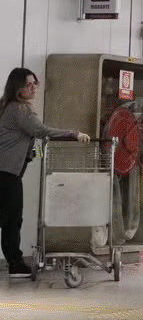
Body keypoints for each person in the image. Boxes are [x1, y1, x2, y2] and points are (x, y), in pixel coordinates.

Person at [1, 68, 91, 277]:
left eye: (35, 84)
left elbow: (30, 142)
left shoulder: (7, 107)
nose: (33, 88)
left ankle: (14, 261)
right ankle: (15, 263)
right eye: (28, 85)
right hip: (6, 174)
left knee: (9, 220)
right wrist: (74, 134)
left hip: (7, 173)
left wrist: (38, 156)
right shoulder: (20, 110)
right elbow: (42, 131)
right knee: (12, 220)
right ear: (17, 88)